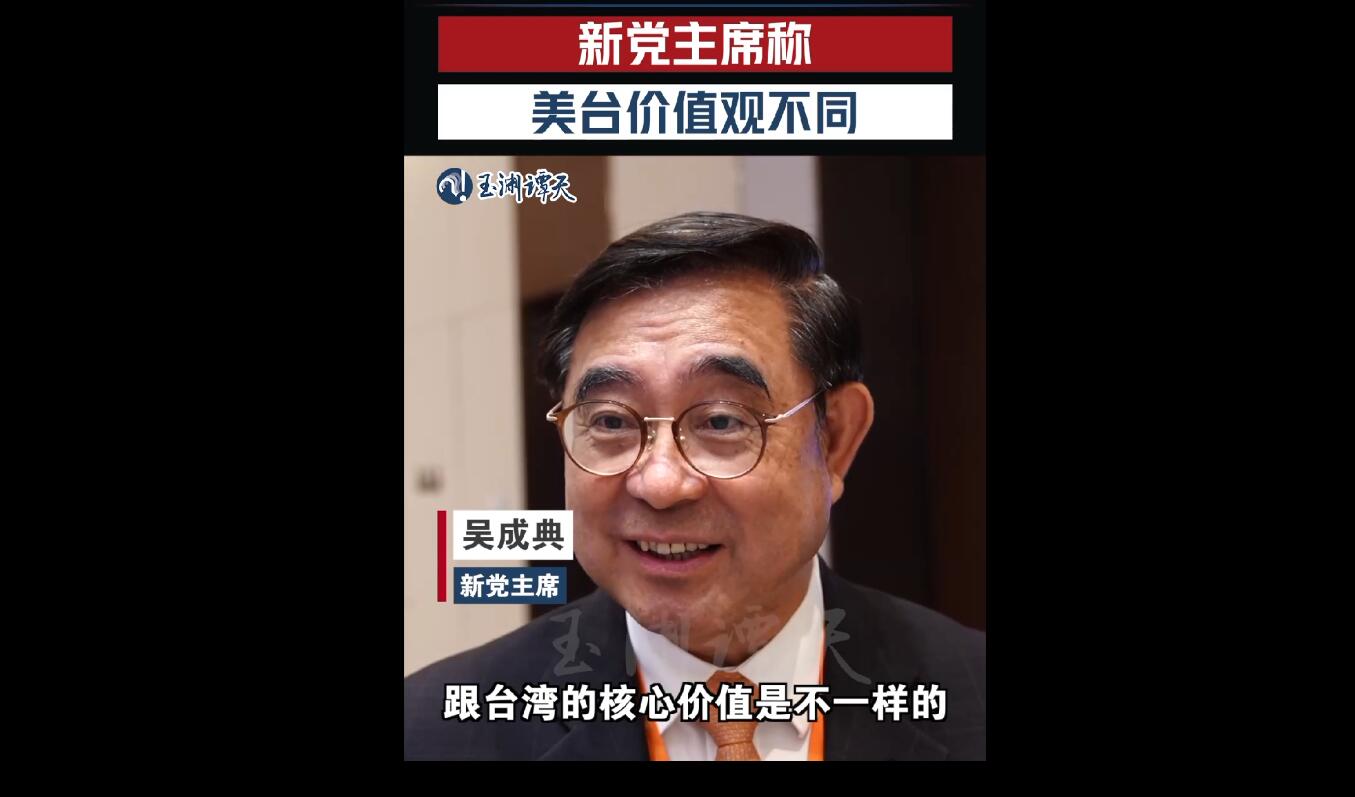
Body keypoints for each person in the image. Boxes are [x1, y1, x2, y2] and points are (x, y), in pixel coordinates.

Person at [405, 211, 985, 760]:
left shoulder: (968, 697)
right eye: (610, 421)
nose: (660, 483)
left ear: (834, 440)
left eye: (722, 421)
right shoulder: (434, 730)